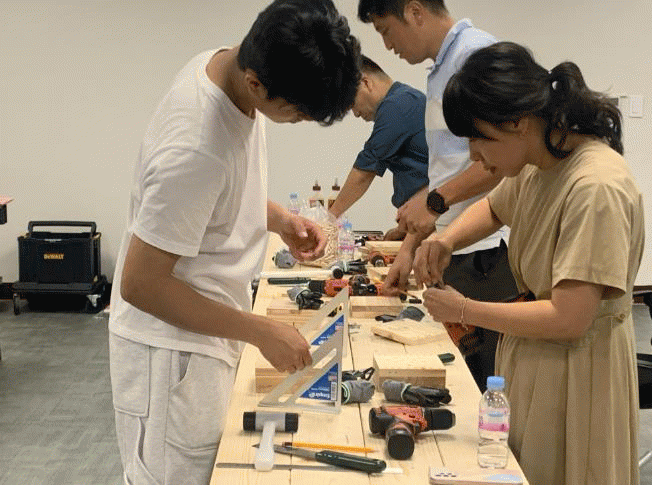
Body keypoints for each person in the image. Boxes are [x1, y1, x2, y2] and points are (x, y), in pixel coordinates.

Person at [107, 1, 361, 483]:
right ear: (256, 84)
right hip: (171, 350)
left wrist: (280, 220)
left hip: (205, 330)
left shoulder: (230, 66)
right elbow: (140, 284)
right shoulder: (193, 148)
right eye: (297, 115)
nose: (298, 122)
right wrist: (260, 331)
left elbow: (216, 194)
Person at [415, 41, 643, 485]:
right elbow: (496, 207)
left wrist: (463, 310)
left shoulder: (595, 186)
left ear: (518, 123)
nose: (475, 156)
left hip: (580, 368)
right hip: (538, 357)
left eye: (480, 139)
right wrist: (446, 239)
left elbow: (569, 318)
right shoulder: (541, 161)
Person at [357, 0, 518, 390]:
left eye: (385, 31)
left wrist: (435, 202)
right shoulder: (439, 73)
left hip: (481, 254)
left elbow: (498, 161)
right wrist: (410, 247)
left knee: (485, 387)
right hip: (451, 248)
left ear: (414, 12)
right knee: (455, 383)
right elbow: (445, 172)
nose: (388, 46)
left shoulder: (473, 55)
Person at [328, 55, 428, 241]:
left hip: (437, 222)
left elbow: (364, 172)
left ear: (366, 83)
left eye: (352, 104)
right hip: (422, 223)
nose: (356, 114)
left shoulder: (397, 106)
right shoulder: (405, 100)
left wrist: (328, 220)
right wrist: (403, 230)